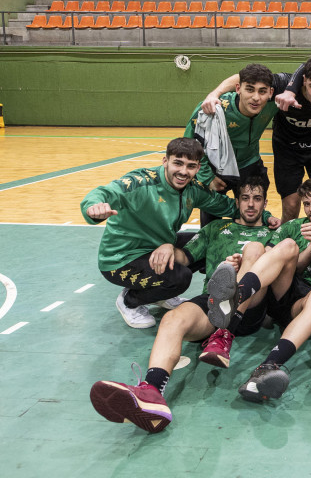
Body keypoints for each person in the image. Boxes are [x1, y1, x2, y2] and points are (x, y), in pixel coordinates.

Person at [88, 175, 291, 432]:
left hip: (251, 305)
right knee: (173, 319)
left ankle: (225, 330)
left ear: (265, 203)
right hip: (213, 303)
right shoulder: (215, 229)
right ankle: (151, 391)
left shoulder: (275, 230)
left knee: (254, 251)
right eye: (245, 198)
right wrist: (166, 248)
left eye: (257, 199)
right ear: (236, 201)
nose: (251, 205)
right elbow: (184, 256)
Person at [80, 137, 278, 329]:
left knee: (210, 243)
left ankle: (160, 293)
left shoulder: (193, 189)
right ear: (165, 161)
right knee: (179, 278)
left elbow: (229, 206)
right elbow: (106, 192)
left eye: (191, 166)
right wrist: (93, 208)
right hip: (122, 258)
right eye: (178, 163)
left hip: (159, 247)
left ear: (198, 168)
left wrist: (266, 216)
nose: (183, 172)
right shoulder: (140, 183)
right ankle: (130, 300)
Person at [230, 178, 311, 400]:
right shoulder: (294, 226)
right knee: (287, 245)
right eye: (306, 203)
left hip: (305, 305)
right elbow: (270, 260)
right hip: (282, 291)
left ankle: (267, 367)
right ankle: (234, 303)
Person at [200, 55, 311, 222]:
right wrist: (214, 93)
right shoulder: (283, 84)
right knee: (291, 204)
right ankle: (288, 241)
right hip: (287, 149)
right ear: (303, 80)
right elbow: (244, 77)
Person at [185, 63, 278, 225]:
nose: (256, 97)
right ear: (238, 89)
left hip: (249, 163)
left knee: (251, 212)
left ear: (270, 93)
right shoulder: (214, 109)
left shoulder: (272, 104)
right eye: (249, 89)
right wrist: (207, 178)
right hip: (217, 169)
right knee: (211, 219)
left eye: (262, 91)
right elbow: (191, 146)